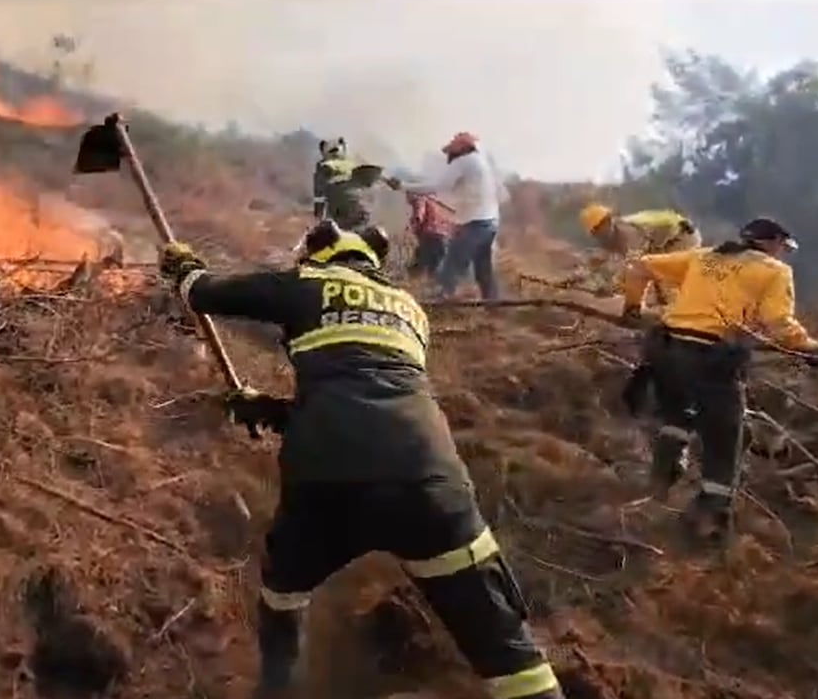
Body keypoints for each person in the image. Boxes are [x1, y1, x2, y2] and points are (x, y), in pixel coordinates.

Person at [159, 221, 565, 699]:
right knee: (506, 650)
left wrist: (182, 266)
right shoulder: (411, 311)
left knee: (283, 592)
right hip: (430, 482)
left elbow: (203, 293)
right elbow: (373, 392)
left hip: (327, 484)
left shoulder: (306, 281)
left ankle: (277, 688)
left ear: (321, 252)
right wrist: (271, 408)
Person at [620, 216, 818, 545]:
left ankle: (660, 480)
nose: (783, 255)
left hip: (667, 349)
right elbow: (779, 323)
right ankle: (709, 520)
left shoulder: (702, 256)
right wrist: (810, 349)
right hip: (711, 360)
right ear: (771, 243)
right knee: (725, 440)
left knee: (677, 416)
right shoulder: (774, 272)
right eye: (782, 247)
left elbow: (639, 267)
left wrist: (633, 307)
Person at [393, 132, 508, 299]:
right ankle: (493, 303)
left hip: (474, 223)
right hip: (490, 221)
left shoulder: (463, 161)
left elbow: (438, 186)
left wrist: (403, 186)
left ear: (461, 149)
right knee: (483, 269)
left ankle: (439, 301)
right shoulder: (480, 162)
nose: (449, 156)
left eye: (451, 152)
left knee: (451, 265)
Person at [578, 203, 701, 302]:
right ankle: (667, 306)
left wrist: (613, 287)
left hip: (682, 236)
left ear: (607, 221)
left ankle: (683, 315)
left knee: (663, 276)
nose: (598, 234)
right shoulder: (611, 235)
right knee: (656, 271)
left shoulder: (627, 233)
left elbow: (634, 264)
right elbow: (598, 260)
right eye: (595, 231)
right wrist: (575, 278)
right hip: (663, 241)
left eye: (598, 228)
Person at [311, 137, 378, 230]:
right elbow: (375, 175)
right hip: (362, 208)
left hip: (340, 209)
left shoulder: (324, 167)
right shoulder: (353, 162)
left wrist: (318, 218)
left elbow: (319, 196)